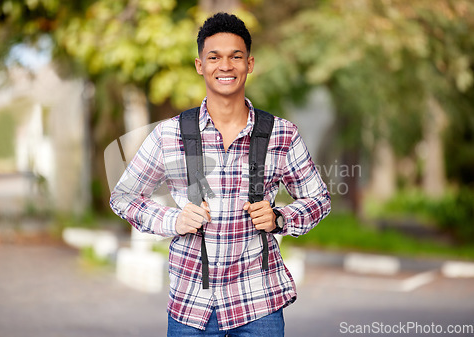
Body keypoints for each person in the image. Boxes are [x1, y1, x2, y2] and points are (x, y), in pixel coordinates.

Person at [110, 12, 331, 336]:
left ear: (249, 64)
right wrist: (172, 220)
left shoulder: (281, 134)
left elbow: (319, 199)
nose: (225, 66)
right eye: (214, 57)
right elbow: (123, 196)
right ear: (200, 65)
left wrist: (280, 218)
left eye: (235, 56)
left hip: (259, 304)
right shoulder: (170, 134)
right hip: (192, 305)